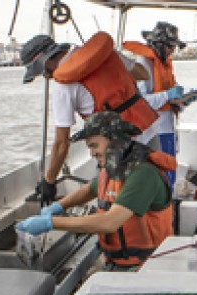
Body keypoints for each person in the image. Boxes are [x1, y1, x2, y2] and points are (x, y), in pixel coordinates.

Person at [16, 111, 175, 271]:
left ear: (114, 141)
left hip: (149, 266)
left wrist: (50, 223)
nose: (91, 153)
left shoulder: (143, 173)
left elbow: (109, 223)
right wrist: (58, 206)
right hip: (119, 262)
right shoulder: (116, 167)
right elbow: (91, 188)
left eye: (94, 145)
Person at [20, 32, 160, 206]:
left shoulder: (63, 86)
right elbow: (143, 74)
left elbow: (62, 143)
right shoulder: (105, 54)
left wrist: (49, 182)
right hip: (149, 129)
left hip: (120, 148)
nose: (46, 77)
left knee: (114, 205)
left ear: (46, 62)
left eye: (41, 72)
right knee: (152, 196)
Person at [123, 22, 187, 188]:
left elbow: (164, 97)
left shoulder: (162, 63)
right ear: (159, 44)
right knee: (161, 177)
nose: (173, 51)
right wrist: (168, 95)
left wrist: (180, 102)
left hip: (167, 128)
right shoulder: (143, 64)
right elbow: (141, 101)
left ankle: (168, 207)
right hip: (154, 132)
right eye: (171, 46)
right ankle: (161, 209)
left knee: (169, 171)